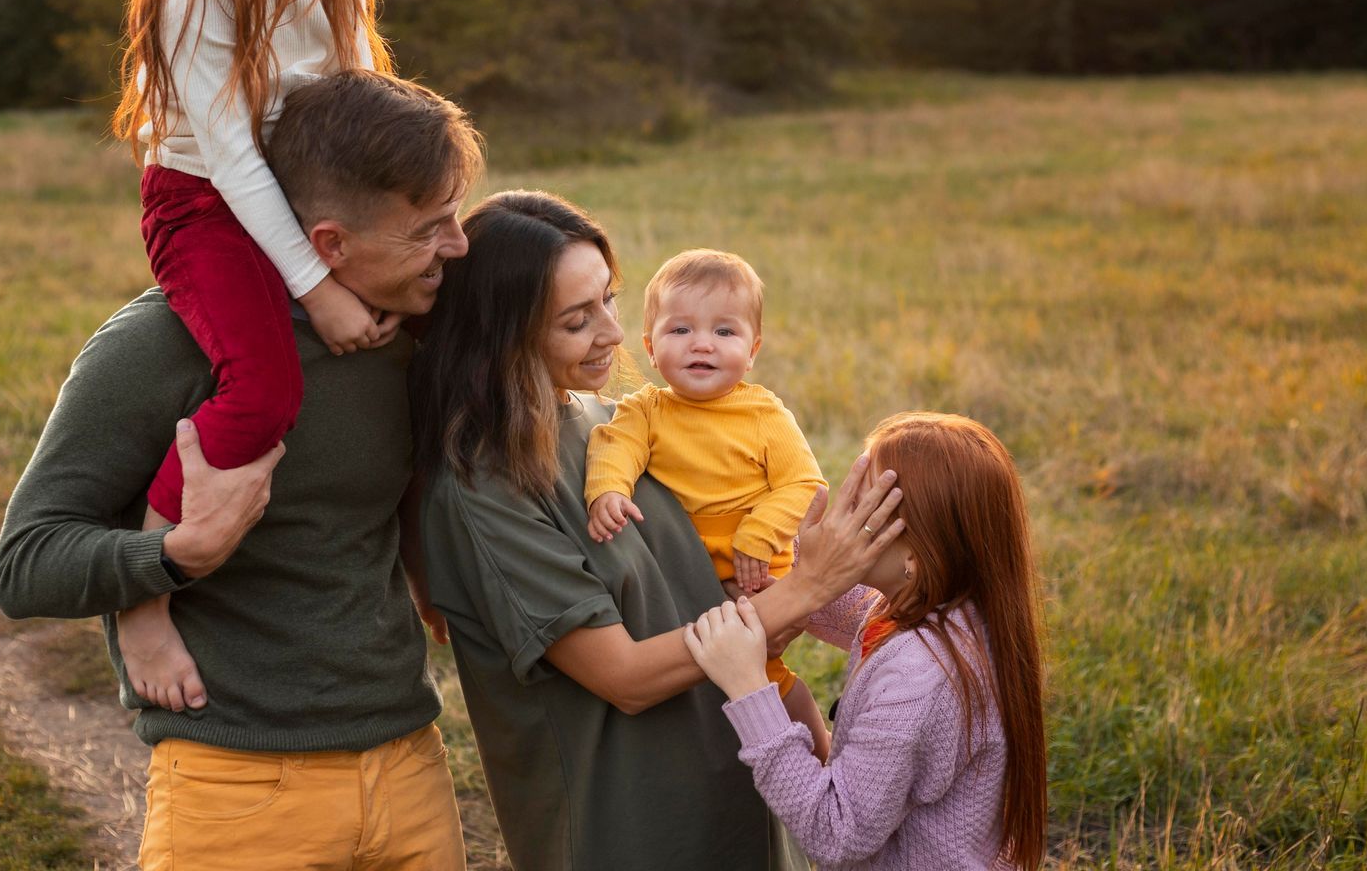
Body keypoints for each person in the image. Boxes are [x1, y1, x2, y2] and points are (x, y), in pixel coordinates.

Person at [0, 71, 482, 871]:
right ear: (329, 244)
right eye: (430, 229)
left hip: (410, 766)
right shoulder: (164, 345)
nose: (455, 246)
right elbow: (25, 566)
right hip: (234, 788)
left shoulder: (412, 332)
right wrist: (173, 557)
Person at [409, 190, 907, 871]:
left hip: (740, 775)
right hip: (637, 826)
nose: (614, 334)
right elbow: (625, 676)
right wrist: (805, 589)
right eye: (577, 321)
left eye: (608, 301)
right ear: (505, 334)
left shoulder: (605, 420)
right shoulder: (483, 488)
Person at [107, 0, 396, 712]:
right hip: (205, 204)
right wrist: (319, 287)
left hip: (313, 190)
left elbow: (362, 98)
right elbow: (229, 156)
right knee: (266, 383)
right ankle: (143, 585)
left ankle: (440, 563)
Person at [683, 412, 1048, 870]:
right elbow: (839, 605)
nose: (841, 521)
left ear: (914, 552)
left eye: (860, 508)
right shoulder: (939, 610)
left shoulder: (920, 680)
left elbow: (836, 834)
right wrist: (790, 553)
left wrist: (749, 687)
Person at [584, 248, 831, 755]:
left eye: (724, 331)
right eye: (681, 331)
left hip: (754, 570)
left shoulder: (763, 413)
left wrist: (759, 535)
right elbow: (616, 445)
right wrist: (607, 490)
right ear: (651, 349)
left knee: (768, 673)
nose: (702, 345)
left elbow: (804, 485)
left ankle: (823, 755)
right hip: (684, 572)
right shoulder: (646, 409)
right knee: (707, 673)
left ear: (753, 348)